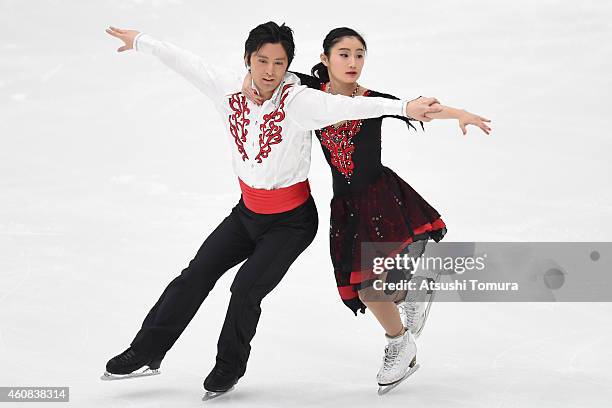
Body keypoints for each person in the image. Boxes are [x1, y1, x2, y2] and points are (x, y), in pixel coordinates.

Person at [103, 22, 442, 397]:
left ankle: (227, 369)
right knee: (195, 275)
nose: (269, 71)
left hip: (291, 223)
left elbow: (351, 104)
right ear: (247, 59)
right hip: (246, 215)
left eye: (279, 63)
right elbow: (187, 63)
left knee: (245, 288)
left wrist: (404, 107)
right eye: (261, 60)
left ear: (288, 66)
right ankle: (145, 352)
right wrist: (141, 42)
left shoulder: (299, 101)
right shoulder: (227, 88)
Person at [243, 27, 491, 394]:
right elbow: (272, 72)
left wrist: (460, 113)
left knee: (367, 288)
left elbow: (421, 108)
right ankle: (413, 296)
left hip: (380, 199)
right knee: (367, 287)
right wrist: (251, 81)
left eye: (359, 54)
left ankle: (400, 343)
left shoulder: (374, 100)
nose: (353, 62)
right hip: (345, 207)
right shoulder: (308, 94)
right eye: (344, 54)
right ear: (325, 60)